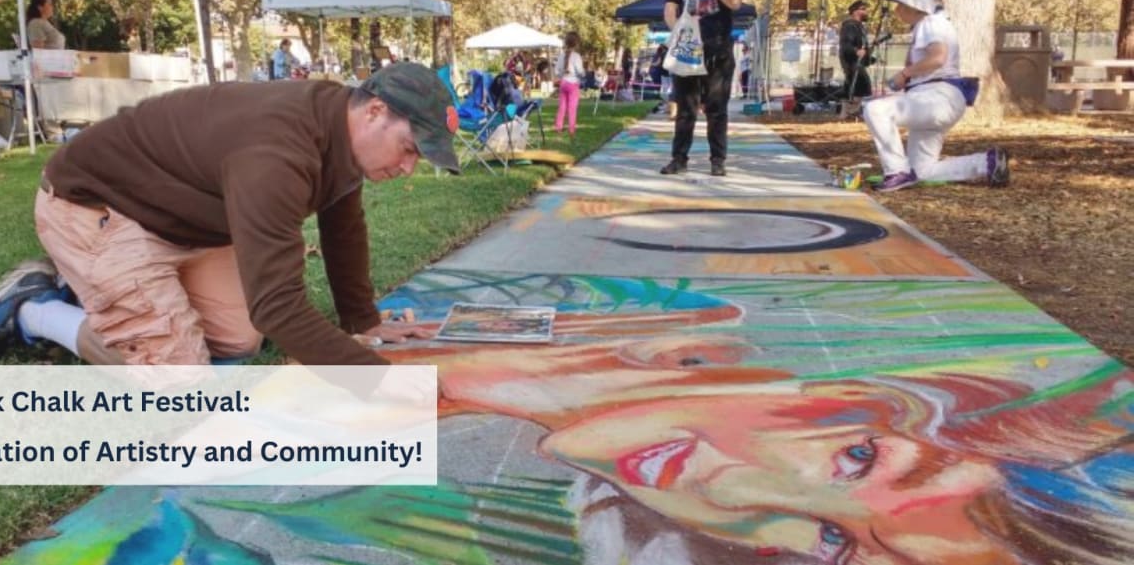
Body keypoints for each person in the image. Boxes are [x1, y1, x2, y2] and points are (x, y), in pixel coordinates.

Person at [381, 311, 1133, 565]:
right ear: (855, 399)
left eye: (832, 544)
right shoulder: (673, 319)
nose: (730, 491)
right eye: (857, 458)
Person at [0, 62, 458, 367]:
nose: (408, 168)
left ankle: (92, 289)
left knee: (238, 342)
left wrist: (364, 320)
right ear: (374, 112)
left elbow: (342, 228)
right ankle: (34, 311)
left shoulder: (339, 130)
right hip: (97, 207)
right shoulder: (277, 150)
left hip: (183, 224)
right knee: (179, 379)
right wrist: (379, 379)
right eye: (410, 149)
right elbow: (277, 308)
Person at [862, 0, 1010, 192]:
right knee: (922, 170)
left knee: (875, 110)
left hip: (937, 97)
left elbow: (937, 58)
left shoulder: (930, 22)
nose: (896, 10)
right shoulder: (932, 24)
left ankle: (896, 171)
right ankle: (987, 163)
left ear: (915, 6)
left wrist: (904, 74)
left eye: (901, 5)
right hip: (937, 99)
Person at [660, 0, 742, 177]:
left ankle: (718, 160)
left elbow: (735, 3)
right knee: (686, 109)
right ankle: (679, 159)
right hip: (689, 52)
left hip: (718, 50)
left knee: (717, 109)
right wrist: (678, 31)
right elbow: (670, 9)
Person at [838, 0, 872, 117]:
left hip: (857, 60)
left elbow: (861, 44)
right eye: (863, 9)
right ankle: (850, 111)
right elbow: (846, 43)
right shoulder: (850, 25)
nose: (866, 12)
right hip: (851, 60)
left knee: (854, 84)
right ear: (855, 11)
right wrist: (856, 51)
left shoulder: (859, 26)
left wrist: (868, 57)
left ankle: (847, 112)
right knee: (861, 83)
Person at [555, 31, 584, 137]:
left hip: (563, 82)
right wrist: (583, 74)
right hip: (573, 83)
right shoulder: (576, 56)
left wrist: (562, 74)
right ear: (576, 43)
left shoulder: (561, 55)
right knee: (572, 108)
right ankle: (571, 129)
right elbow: (580, 71)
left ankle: (558, 127)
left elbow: (557, 71)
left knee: (562, 106)